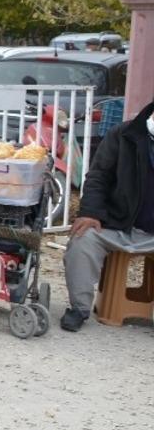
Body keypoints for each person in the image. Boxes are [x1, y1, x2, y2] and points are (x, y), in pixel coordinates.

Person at [60, 98, 154, 332]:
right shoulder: (123, 135)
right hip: (117, 224)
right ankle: (79, 308)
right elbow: (98, 176)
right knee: (82, 241)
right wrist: (91, 213)